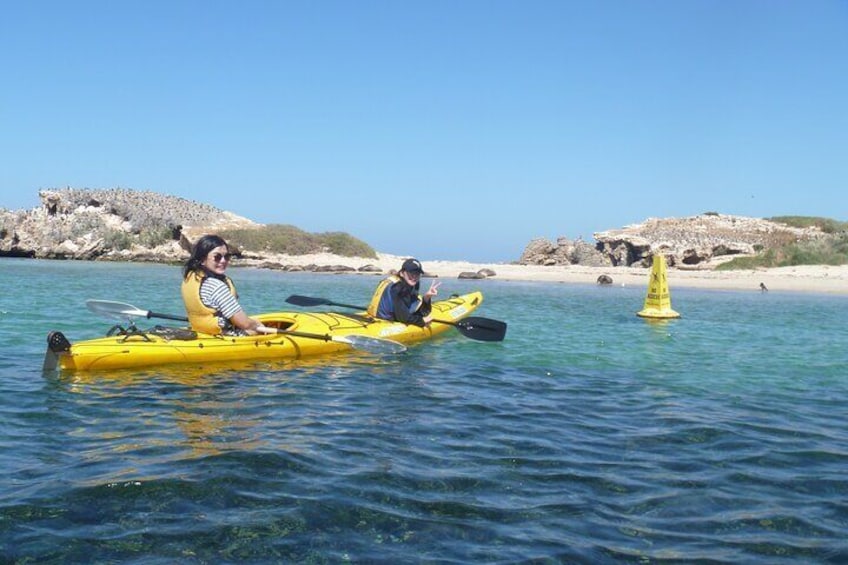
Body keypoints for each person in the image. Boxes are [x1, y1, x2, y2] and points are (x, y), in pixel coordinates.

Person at [181, 234, 275, 336]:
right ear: (203, 259)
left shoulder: (191, 278)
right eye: (217, 257)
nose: (223, 261)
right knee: (255, 330)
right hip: (222, 335)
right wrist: (257, 324)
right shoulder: (216, 286)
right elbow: (243, 323)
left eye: (227, 256)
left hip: (200, 330)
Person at [367, 258, 442, 326]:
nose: (414, 276)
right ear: (402, 273)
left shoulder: (402, 283)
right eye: (411, 273)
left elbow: (419, 310)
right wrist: (421, 321)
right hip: (384, 322)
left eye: (417, 274)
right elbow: (403, 317)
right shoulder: (398, 288)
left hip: (376, 317)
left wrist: (427, 297)